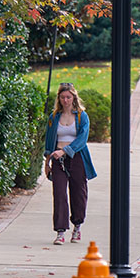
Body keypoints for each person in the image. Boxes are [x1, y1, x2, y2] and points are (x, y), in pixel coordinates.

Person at [44, 82, 97, 245]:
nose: (65, 100)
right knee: (59, 193)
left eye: (68, 97)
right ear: (59, 99)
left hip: (77, 158)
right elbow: (49, 140)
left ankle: (77, 226)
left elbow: (82, 139)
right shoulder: (54, 117)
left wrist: (66, 150)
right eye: (62, 97)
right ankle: (60, 232)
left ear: (74, 97)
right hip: (58, 159)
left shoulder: (82, 116)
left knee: (78, 194)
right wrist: (47, 161)